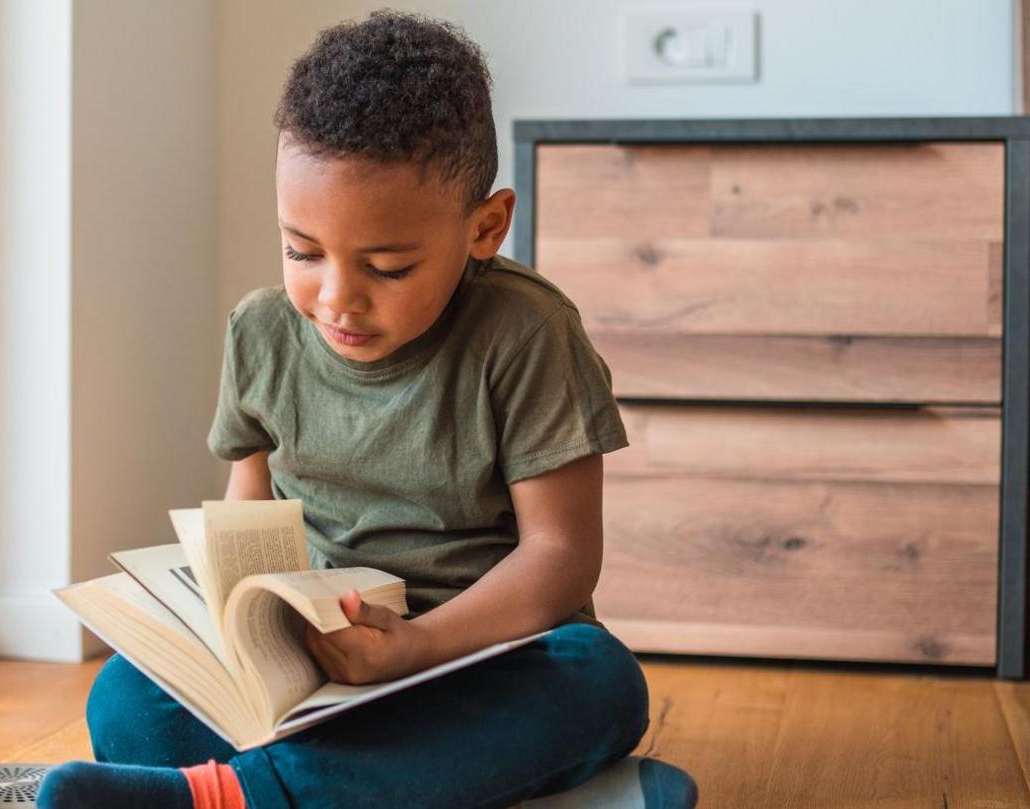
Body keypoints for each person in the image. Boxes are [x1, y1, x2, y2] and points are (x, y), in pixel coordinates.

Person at [38, 10, 698, 809]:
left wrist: (418, 646)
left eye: (387, 267)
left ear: (484, 227)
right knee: (122, 697)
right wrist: (232, 635)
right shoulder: (261, 333)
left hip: (474, 657)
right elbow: (245, 516)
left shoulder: (526, 335)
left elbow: (560, 556)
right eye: (301, 252)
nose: (335, 298)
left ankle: (234, 797)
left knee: (600, 683)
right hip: (318, 670)